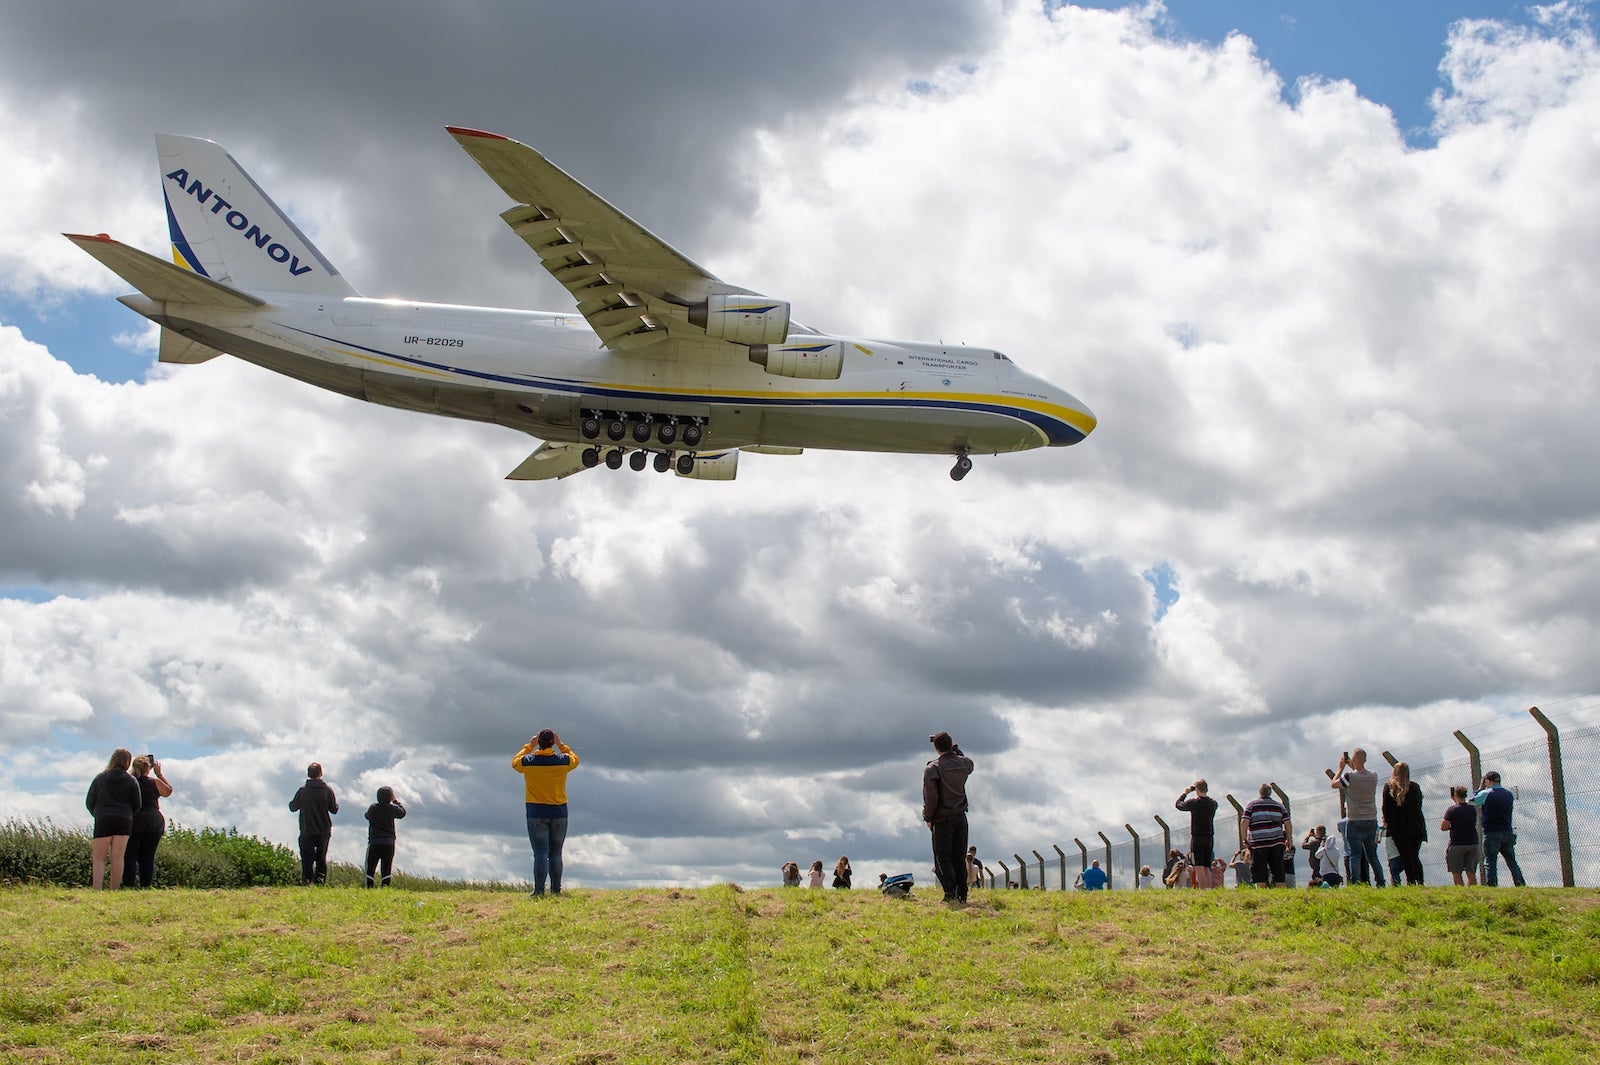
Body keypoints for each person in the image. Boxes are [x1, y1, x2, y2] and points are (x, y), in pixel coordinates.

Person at [513, 729, 579, 896]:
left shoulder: (529, 762)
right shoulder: (563, 761)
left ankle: (539, 891)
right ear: (552, 742)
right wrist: (561, 744)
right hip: (559, 811)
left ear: (539, 743)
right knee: (556, 853)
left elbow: (515, 763)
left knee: (541, 853)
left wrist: (529, 746)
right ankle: (556, 890)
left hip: (536, 811)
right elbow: (575, 760)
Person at [922, 731, 975, 903]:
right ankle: (963, 893)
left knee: (942, 859)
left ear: (936, 748)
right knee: (959, 857)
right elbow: (967, 761)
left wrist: (928, 817)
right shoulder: (964, 764)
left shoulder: (933, 768)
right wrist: (955, 749)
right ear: (951, 744)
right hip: (960, 818)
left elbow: (931, 798)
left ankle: (950, 894)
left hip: (942, 820)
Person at [84, 748, 141, 890]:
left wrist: (97, 813)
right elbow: (137, 803)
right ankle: (113, 889)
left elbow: (90, 801)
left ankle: (97, 888)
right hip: (124, 819)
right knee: (117, 856)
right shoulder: (131, 780)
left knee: (99, 857)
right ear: (127, 762)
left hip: (103, 817)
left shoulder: (100, 778)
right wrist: (128, 814)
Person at [1331, 748, 1385, 886]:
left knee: (1355, 854)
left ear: (1353, 760)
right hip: (1371, 820)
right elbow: (1360, 772)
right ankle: (1380, 881)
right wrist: (1353, 764)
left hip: (1355, 820)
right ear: (1365, 760)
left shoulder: (1349, 776)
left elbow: (1334, 784)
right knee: (1373, 856)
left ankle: (1355, 882)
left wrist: (1340, 768)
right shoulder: (1373, 775)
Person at [121, 754, 173, 888]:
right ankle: (145, 886)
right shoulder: (154, 782)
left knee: (130, 856)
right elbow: (168, 791)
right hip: (153, 821)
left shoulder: (129, 781)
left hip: (134, 820)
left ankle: (128, 886)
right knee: (148, 857)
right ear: (148, 768)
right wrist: (159, 774)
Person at [1471, 771, 1526, 887]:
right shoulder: (1508, 794)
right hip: (1507, 831)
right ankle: (1520, 884)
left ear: (1487, 781)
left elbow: (1472, 802)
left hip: (1492, 832)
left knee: (1490, 861)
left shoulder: (1486, 793)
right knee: (1512, 861)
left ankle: (1492, 885)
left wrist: (1480, 789)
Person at [289, 762, 339, 885]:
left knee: (307, 859)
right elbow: (334, 810)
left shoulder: (303, 791)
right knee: (321, 858)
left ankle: (307, 882)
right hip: (324, 830)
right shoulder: (327, 790)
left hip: (307, 830)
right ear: (321, 773)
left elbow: (292, 807)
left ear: (308, 774)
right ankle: (320, 882)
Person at [1380, 761, 1427, 886]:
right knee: (1415, 856)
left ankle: (1411, 881)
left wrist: (1387, 821)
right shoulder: (1415, 787)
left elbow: (1386, 809)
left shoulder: (1389, 788)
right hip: (1416, 826)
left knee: (1407, 856)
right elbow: (1419, 805)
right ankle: (1420, 881)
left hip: (1399, 828)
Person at [1242, 784, 1291, 888]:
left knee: (1259, 871)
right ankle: (1282, 893)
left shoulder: (1252, 805)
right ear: (1270, 793)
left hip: (1258, 843)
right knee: (1278, 870)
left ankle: (1262, 893)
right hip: (1277, 842)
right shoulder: (1279, 806)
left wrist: (1244, 837)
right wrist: (1289, 839)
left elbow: (1244, 821)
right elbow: (1287, 823)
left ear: (1259, 792)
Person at [363, 786, 407, 888]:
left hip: (375, 842)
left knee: (370, 867)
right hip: (389, 842)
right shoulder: (392, 809)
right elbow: (403, 813)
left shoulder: (373, 808)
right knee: (386, 867)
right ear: (390, 797)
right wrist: (395, 801)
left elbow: (367, 816)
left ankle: (369, 887)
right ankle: (385, 887)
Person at [1441, 785, 1481, 887]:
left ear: (1455, 795)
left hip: (1457, 844)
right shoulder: (1472, 809)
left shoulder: (1451, 810)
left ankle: (1461, 891)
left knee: (1456, 871)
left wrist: (1452, 827)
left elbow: (1443, 827)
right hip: (1472, 842)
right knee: (1471, 872)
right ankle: (1473, 891)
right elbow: (1463, 808)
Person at [1175, 780, 1219, 872]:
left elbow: (1179, 805)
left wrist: (1185, 793)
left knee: (1199, 867)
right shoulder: (1213, 804)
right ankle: (1208, 886)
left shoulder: (1194, 803)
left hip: (1198, 837)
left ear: (1197, 790)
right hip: (1209, 836)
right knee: (1207, 867)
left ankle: (1203, 887)